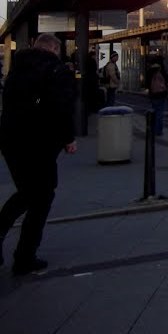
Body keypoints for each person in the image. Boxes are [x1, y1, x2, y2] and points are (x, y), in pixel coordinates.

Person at [0, 34, 77, 275]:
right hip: (40, 143)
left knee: (26, 194)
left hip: (11, 140)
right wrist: (68, 138)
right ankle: (24, 256)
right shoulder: (56, 70)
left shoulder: (17, 68)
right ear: (55, 48)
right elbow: (61, 107)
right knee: (41, 198)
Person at [146, 59, 168, 136]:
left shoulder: (149, 71)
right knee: (160, 112)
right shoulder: (161, 71)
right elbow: (167, 80)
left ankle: (153, 129)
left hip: (153, 94)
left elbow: (147, 83)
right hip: (161, 94)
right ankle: (158, 130)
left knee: (155, 111)